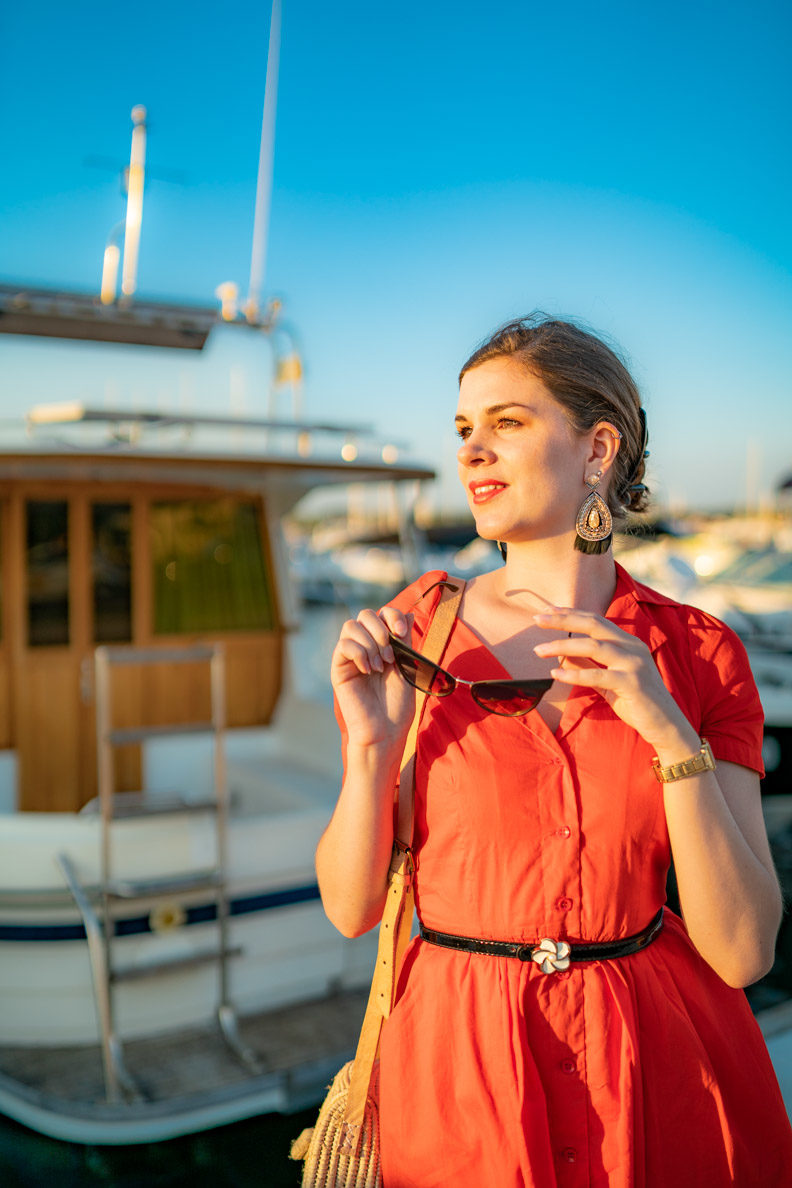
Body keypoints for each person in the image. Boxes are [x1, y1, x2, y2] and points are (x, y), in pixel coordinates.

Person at [316, 315, 792, 1186]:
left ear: (597, 447)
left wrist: (666, 733)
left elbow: (743, 951)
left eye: (508, 423)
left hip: (653, 1068)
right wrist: (371, 749)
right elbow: (350, 910)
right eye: (464, 430)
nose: (473, 453)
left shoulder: (697, 652)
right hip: (459, 1076)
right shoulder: (413, 633)